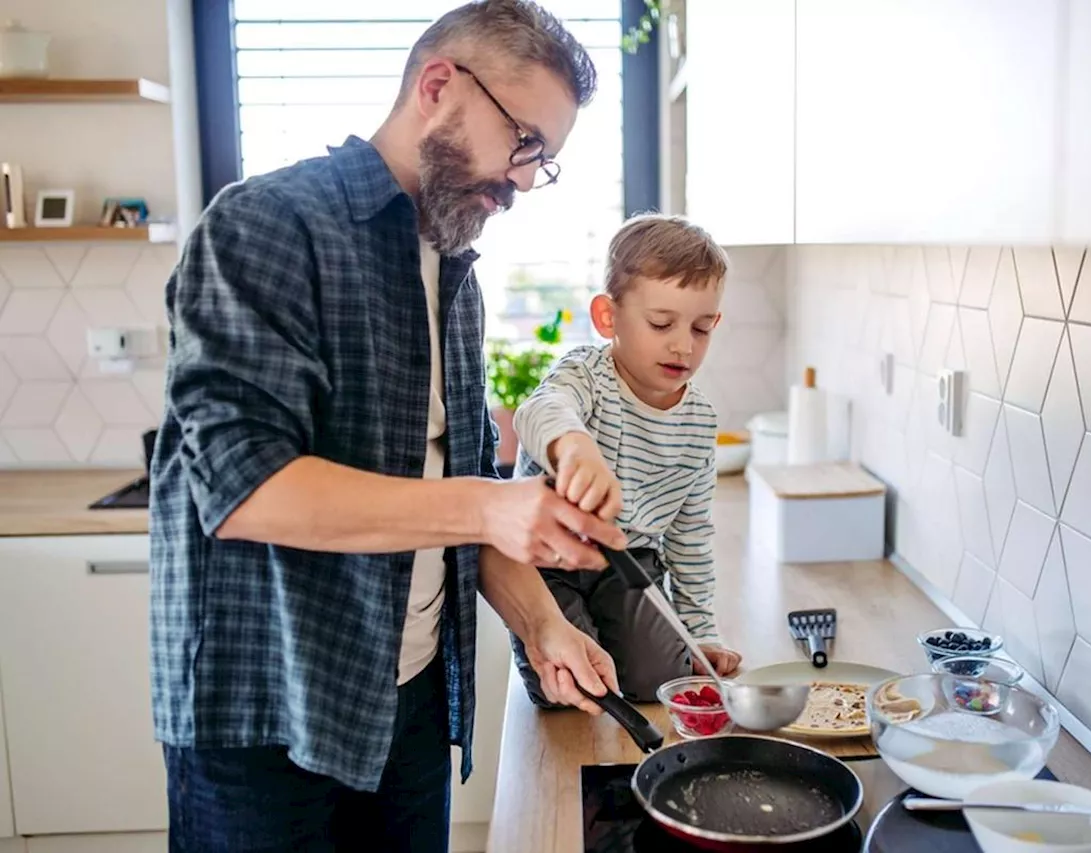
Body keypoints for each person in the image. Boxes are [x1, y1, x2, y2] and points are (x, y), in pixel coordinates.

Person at [148, 2, 628, 851]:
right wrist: (488, 504)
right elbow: (245, 487)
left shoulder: (455, 275)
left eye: (542, 162)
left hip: (405, 705)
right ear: (438, 86)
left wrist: (543, 625)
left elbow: (458, 506)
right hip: (266, 718)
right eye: (523, 141)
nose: (523, 178)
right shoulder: (265, 225)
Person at [509, 213, 744, 707]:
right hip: (546, 562)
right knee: (571, 687)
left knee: (659, 682)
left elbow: (690, 533)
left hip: (629, 562)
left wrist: (701, 631)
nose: (683, 344)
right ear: (607, 318)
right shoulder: (586, 376)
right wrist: (573, 443)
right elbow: (538, 410)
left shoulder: (700, 421)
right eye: (662, 323)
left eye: (701, 329)